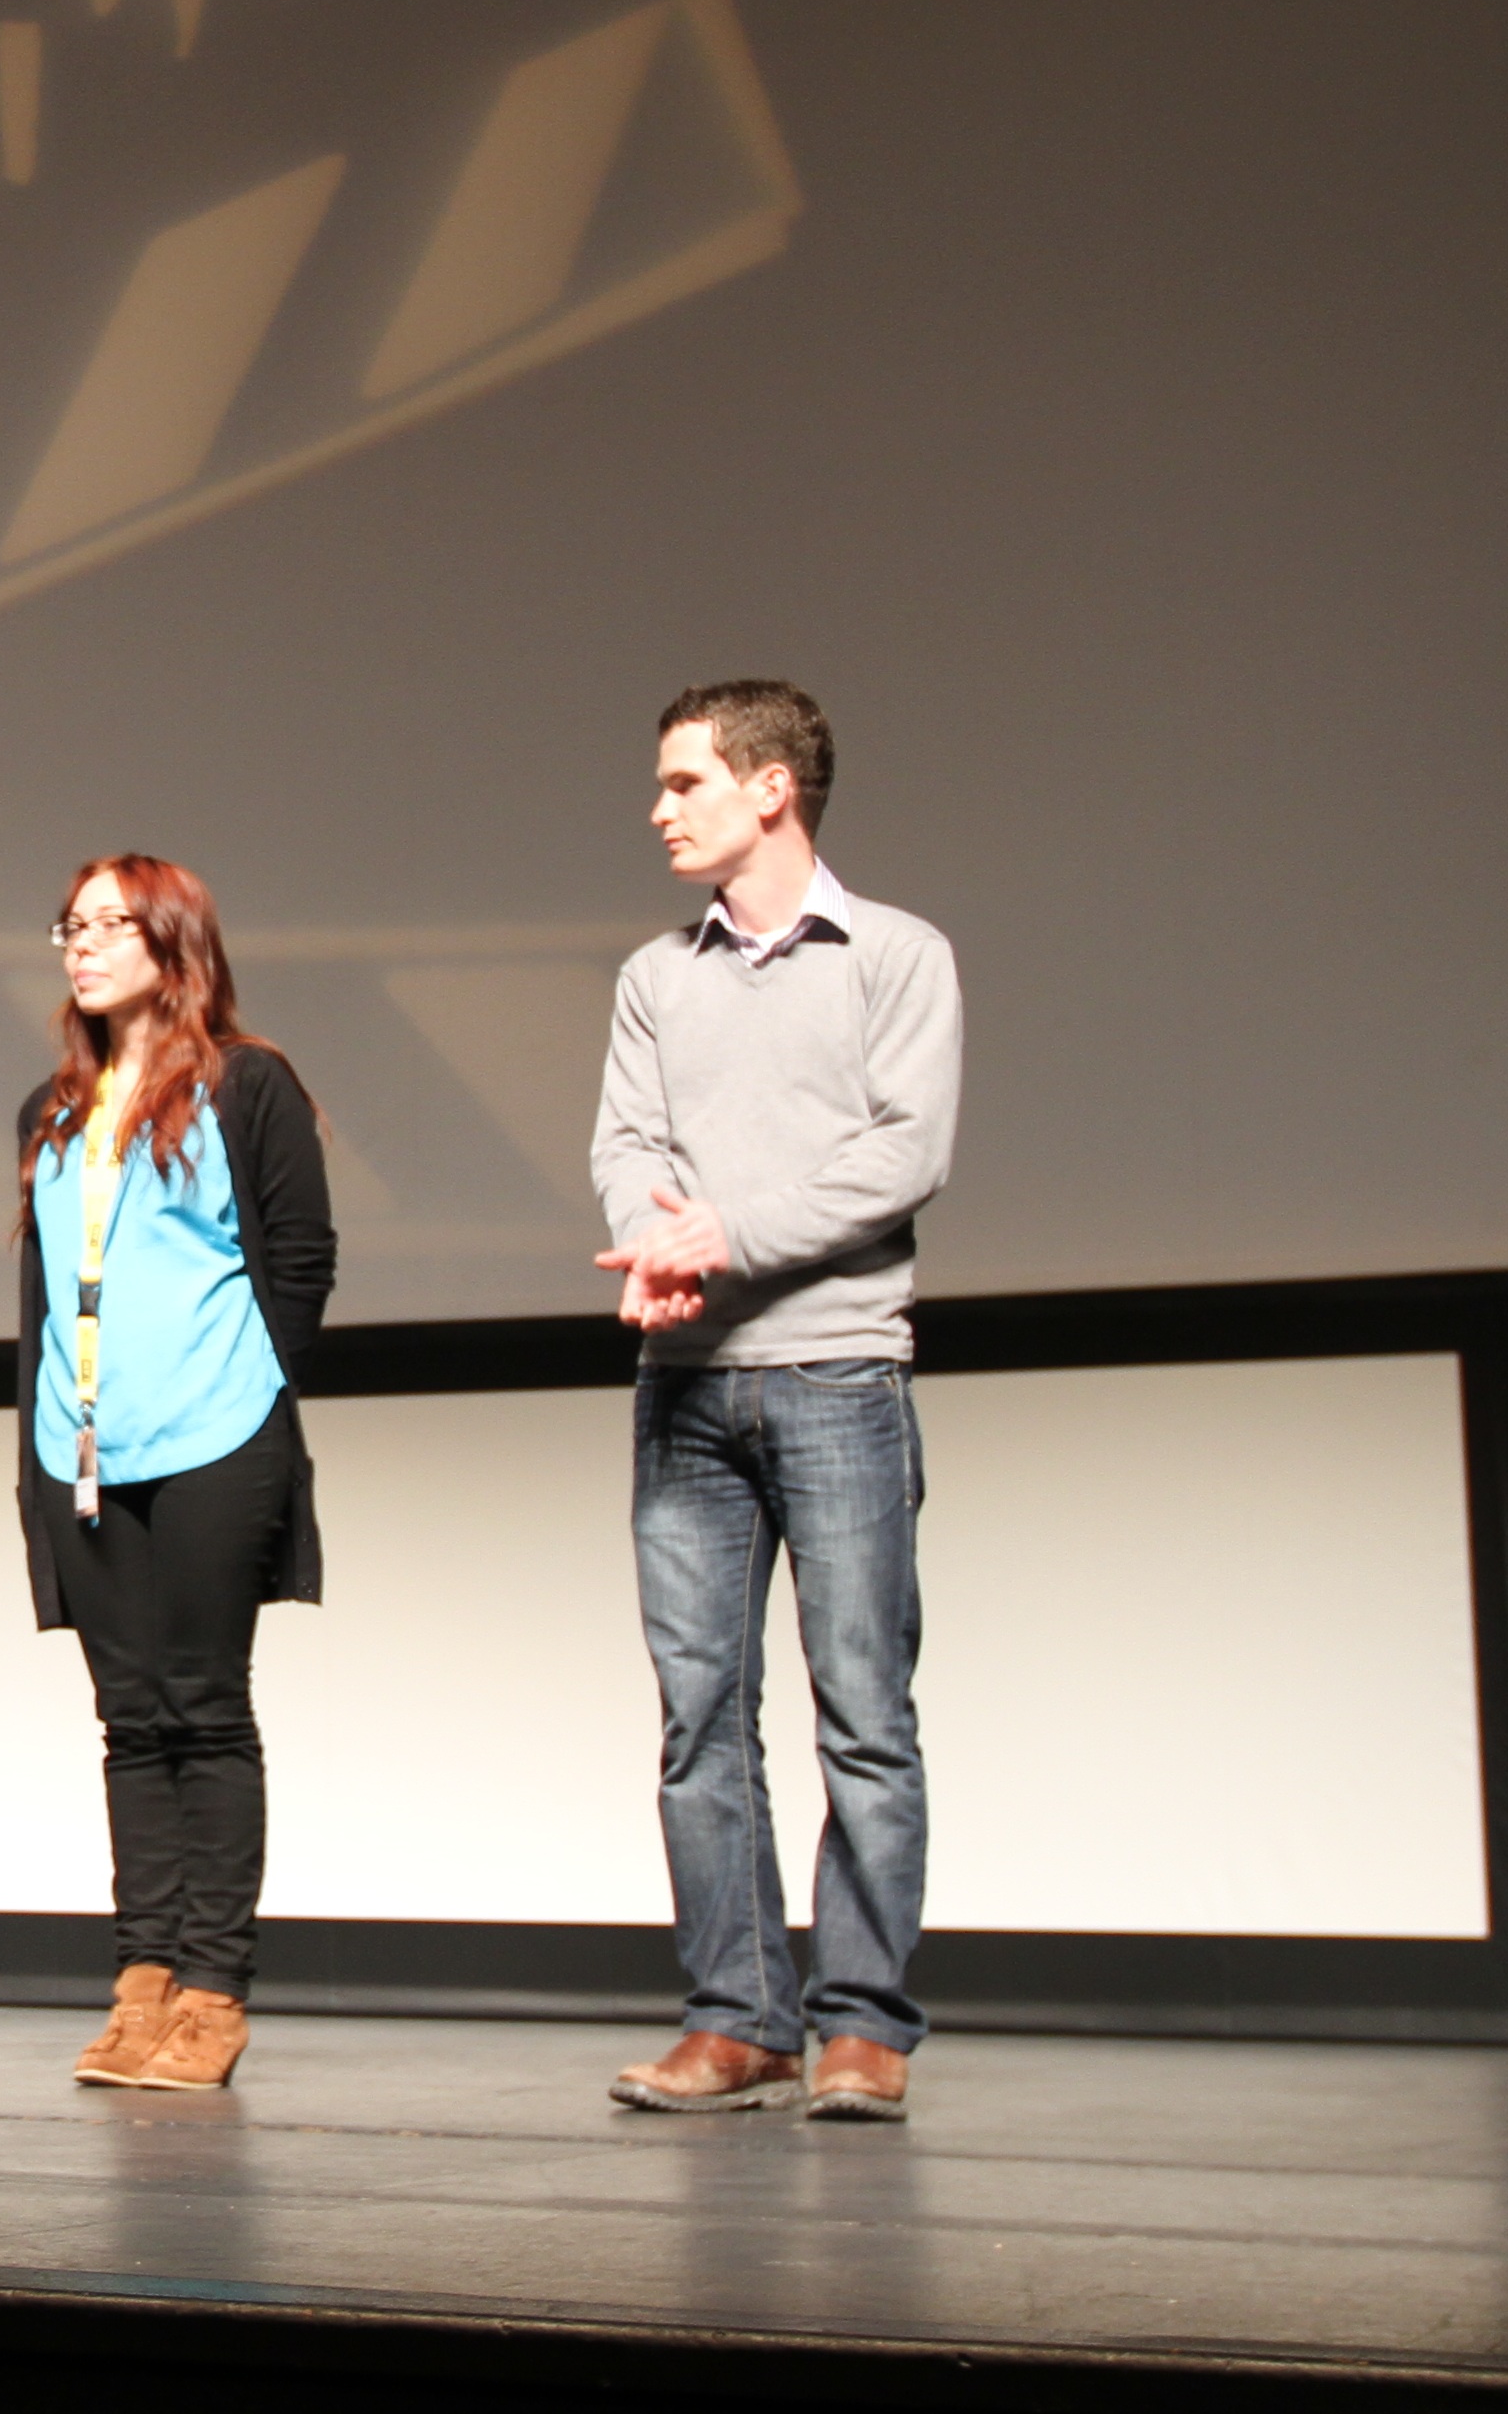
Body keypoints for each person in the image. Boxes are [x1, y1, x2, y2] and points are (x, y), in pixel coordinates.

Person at [587, 679, 963, 2123]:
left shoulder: (896, 957)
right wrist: (655, 1241)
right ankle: (739, 2016)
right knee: (700, 1714)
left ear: (769, 792)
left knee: (862, 1710)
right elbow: (629, 1141)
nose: (660, 808)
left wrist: (720, 1233)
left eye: (683, 782)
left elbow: (901, 1154)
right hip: (684, 1385)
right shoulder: (654, 978)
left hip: (839, 1373)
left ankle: (863, 2023)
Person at [14, 856, 335, 2093]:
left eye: (107, 925)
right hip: (79, 1447)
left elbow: (298, 1257)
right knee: (127, 1723)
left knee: (203, 1709)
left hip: (212, 1438)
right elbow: (43, 1297)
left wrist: (249, 1389)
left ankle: (211, 1989)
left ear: (171, 940)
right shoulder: (49, 1108)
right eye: (70, 926)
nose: (81, 946)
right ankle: (139, 1982)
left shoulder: (245, 1084)